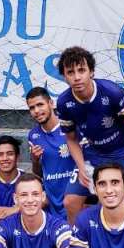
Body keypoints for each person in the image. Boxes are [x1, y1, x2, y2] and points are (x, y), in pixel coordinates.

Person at [55, 46, 124, 223]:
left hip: (122, 152)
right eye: (70, 72)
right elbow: (71, 139)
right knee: (70, 201)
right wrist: (81, 166)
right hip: (93, 153)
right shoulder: (64, 102)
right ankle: (78, 246)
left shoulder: (112, 93)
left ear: (91, 72)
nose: (76, 77)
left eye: (81, 70)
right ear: (64, 77)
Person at [26, 86, 78, 218]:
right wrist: (35, 160)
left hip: (75, 202)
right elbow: (38, 174)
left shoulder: (70, 126)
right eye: (32, 108)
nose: (36, 111)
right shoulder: (33, 136)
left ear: (51, 103)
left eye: (40, 105)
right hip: (52, 206)